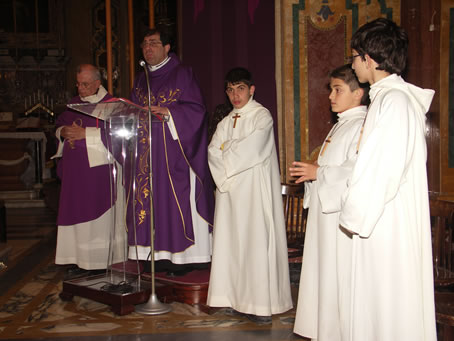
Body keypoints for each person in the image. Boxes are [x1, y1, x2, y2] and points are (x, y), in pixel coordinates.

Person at [338, 18, 436, 340]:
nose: (353, 65)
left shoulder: (394, 102)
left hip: (386, 225)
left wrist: (352, 215)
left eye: (355, 57)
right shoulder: (386, 99)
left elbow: (380, 172)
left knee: (387, 309)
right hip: (381, 219)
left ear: (368, 58)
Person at [206, 67, 293, 325]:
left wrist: (228, 149)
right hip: (230, 196)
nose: (235, 95)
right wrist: (229, 153)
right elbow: (212, 151)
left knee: (254, 244)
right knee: (231, 245)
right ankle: (232, 298)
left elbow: (253, 149)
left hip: (254, 195)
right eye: (230, 90)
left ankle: (259, 304)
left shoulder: (261, 116)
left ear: (251, 89)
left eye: (240, 89)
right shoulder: (224, 122)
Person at [290, 64, 369, 339]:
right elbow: (335, 166)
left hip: (339, 221)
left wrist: (318, 173)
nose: (330, 96)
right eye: (331, 90)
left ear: (358, 93)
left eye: (338, 90)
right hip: (326, 219)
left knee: (337, 278)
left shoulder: (361, 126)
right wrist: (314, 173)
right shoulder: (342, 125)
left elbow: (356, 171)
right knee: (324, 276)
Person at [128, 27, 214, 275]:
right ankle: (155, 257)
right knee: (151, 202)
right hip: (147, 155)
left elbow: (198, 111)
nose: (148, 48)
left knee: (176, 202)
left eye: (154, 43)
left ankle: (189, 257)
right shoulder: (140, 79)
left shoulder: (183, 73)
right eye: (144, 44)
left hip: (176, 154)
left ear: (167, 48)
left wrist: (169, 113)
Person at [53, 64, 126, 276]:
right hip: (74, 175)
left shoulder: (112, 105)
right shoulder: (73, 104)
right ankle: (77, 259)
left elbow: (121, 136)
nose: (80, 89)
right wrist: (62, 131)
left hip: (99, 174)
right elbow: (58, 127)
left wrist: (88, 134)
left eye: (85, 84)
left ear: (97, 83)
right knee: (74, 214)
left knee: (98, 220)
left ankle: (100, 261)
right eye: (78, 84)